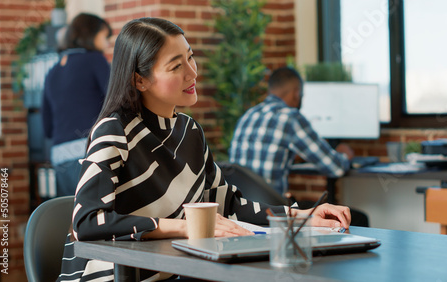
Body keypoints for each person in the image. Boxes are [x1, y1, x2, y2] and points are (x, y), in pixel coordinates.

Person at [56, 18, 352, 281]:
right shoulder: (115, 129)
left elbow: (229, 206)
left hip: (171, 271)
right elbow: (86, 223)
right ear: (140, 80)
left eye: (190, 58)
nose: (192, 73)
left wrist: (301, 216)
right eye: (176, 66)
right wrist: (184, 227)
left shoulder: (189, 131)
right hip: (111, 273)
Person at [229, 66, 354, 196]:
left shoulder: (248, 115)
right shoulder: (291, 118)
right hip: (272, 212)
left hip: (240, 210)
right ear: (296, 92)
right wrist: (345, 155)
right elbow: (335, 168)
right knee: (356, 216)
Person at [42, 13, 112, 197]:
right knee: (98, 218)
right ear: (90, 35)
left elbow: (47, 128)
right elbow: (116, 99)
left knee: (71, 217)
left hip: (59, 157)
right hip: (88, 152)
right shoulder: (95, 60)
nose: (107, 44)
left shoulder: (52, 71)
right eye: (104, 37)